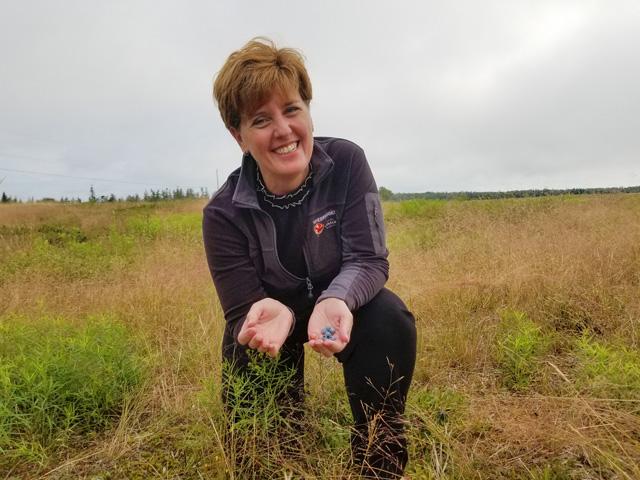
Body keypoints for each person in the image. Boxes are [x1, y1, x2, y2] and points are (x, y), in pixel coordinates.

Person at [203, 37, 417, 479]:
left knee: (387, 316)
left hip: (340, 309)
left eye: (292, 110)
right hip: (274, 319)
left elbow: (369, 258)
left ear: (308, 111)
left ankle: (378, 462)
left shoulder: (347, 162)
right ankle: (272, 453)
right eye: (261, 119)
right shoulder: (222, 214)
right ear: (237, 135)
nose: (283, 130)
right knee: (258, 422)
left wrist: (336, 299)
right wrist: (267, 314)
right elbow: (242, 306)